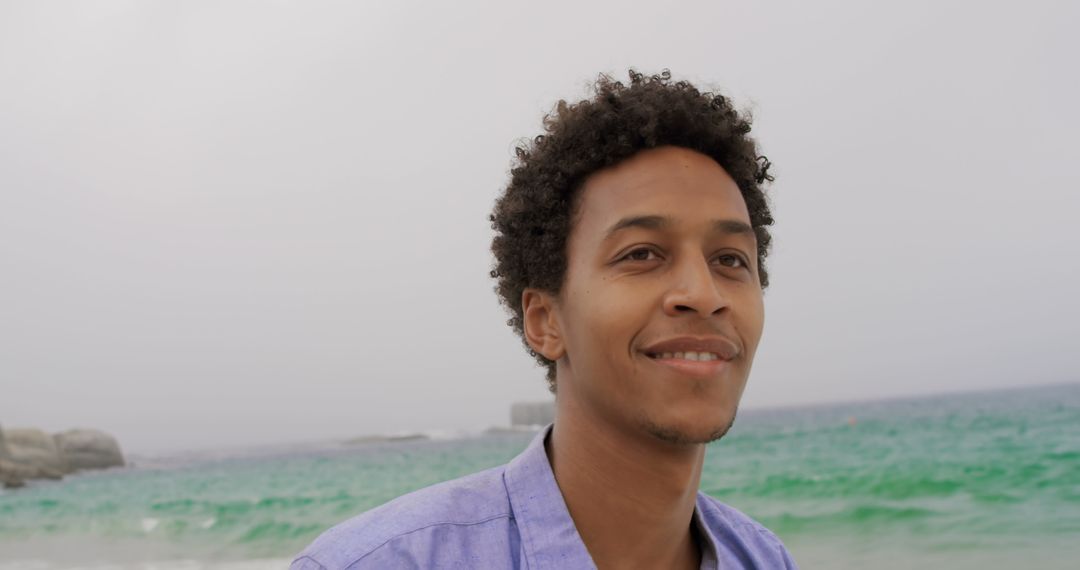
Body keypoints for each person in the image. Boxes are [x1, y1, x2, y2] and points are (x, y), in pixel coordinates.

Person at [292, 69, 797, 569]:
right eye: (642, 254)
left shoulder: (764, 559)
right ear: (545, 321)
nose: (704, 295)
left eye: (730, 259)